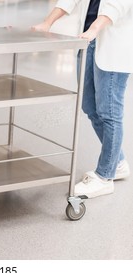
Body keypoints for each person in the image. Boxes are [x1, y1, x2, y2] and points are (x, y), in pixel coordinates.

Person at [32, 0, 133, 198]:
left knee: (109, 112)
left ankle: (105, 176)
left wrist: (94, 28)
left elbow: (118, 4)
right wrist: (48, 22)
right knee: (89, 106)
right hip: (88, 40)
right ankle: (118, 162)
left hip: (111, 41)